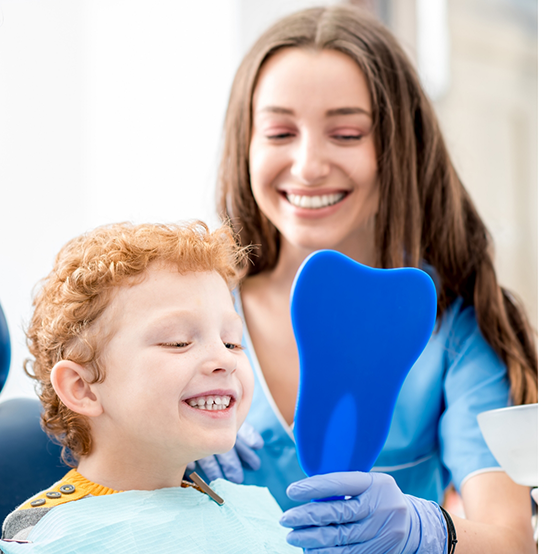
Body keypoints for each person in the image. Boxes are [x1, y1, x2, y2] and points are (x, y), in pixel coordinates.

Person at [206, 4, 538, 553]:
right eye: (280, 131)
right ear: (246, 146)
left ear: (397, 148)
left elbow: (512, 541)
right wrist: (160, 460)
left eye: (346, 132)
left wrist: (427, 531)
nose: (309, 164)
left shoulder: (453, 329)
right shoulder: (192, 310)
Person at [0, 221, 300, 553]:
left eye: (232, 343)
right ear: (82, 387)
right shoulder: (51, 537)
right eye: (178, 342)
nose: (225, 360)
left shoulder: (251, 512)